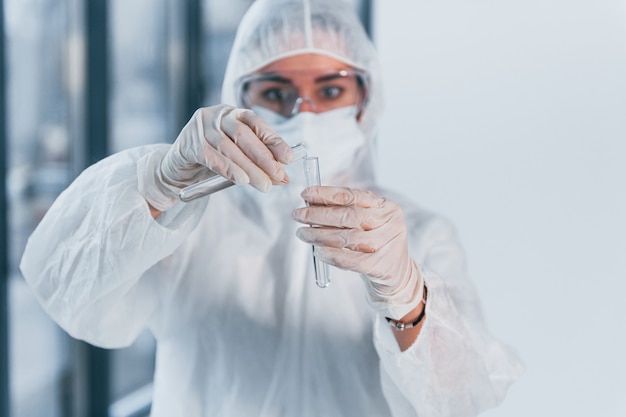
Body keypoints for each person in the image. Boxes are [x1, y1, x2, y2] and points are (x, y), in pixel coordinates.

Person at [20, 0, 524, 415]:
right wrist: (158, 187)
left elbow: (463, 399)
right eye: (275, 91)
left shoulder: (416, 234)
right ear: (240, 99)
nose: (302, 113)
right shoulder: (191, 220)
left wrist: (407, 296)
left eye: (330, 89)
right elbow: (63, 283)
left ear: (366, 99)